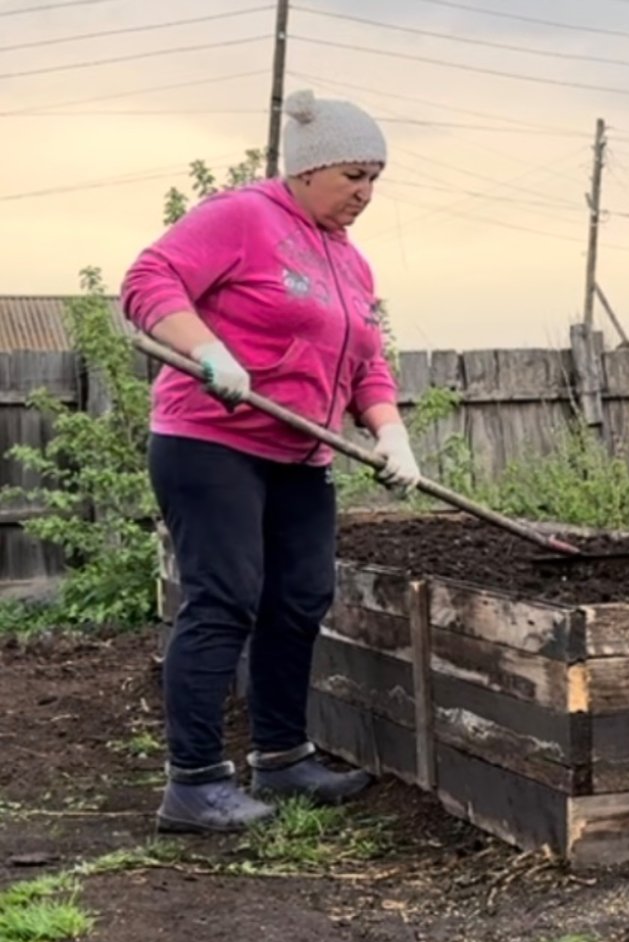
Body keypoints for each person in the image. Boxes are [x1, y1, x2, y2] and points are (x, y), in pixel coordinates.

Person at [122, 89, 422, 833]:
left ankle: (282, 758)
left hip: (300, 450)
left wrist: (390, 432)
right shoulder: (243, 217)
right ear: (309, 168)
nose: (366, 193)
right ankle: (192, 783)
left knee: (300, 598)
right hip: (211, 442)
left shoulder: (351, 265)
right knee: (224, 600)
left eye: (376, 178)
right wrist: (209, 350)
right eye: (354, 174)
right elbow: (147, 282)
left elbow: (366, 364)